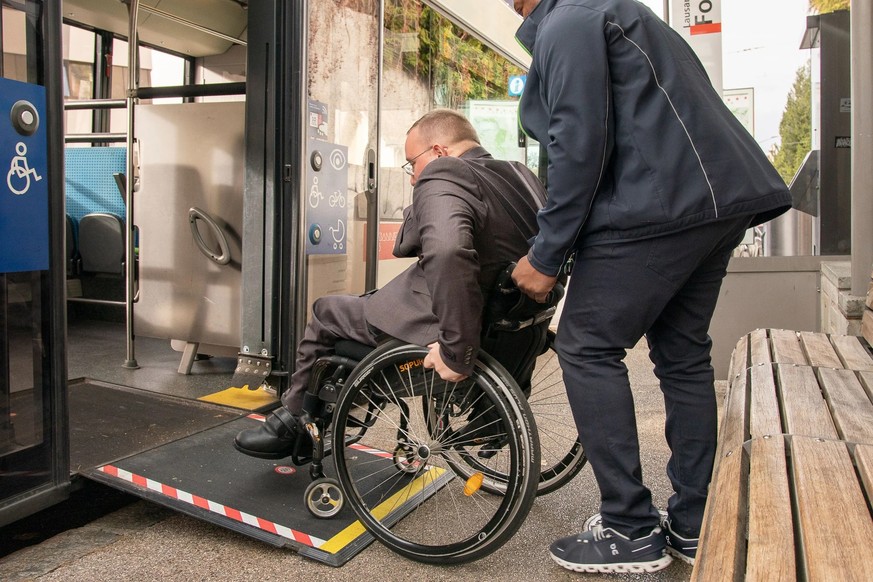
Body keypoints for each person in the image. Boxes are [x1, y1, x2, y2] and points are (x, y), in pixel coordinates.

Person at [510, 0, 792, 574]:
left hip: (657, 205)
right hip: (708, 202)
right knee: (682, 356)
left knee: (586, 345)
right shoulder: (613, 11)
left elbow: (578, 141)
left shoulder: (569, 22)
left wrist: (546, 253)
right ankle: (693, 522)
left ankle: (629, 530)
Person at [234, 109, 545, 459]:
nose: (413, 177)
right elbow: (408, 245)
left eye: (412, 163)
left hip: (442, 318)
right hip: (508, 321)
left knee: (326, 311)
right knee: (362, 301)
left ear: (440, 152)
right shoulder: (521, 175)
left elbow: (446, 251)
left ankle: (294, 419)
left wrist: (458, 348)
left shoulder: (445, 172)